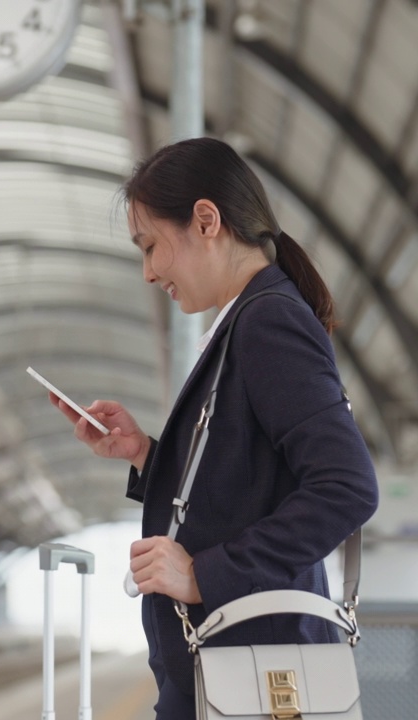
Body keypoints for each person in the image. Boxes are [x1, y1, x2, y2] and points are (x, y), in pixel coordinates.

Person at [48, 137, 379, 718]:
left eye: (150, 247)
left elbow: (346, 487)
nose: (148, 273)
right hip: (224, 669)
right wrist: (147, 454)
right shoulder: (245, 323)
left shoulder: (268, 321)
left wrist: (206, 574)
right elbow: (248, 483)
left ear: (206, 220)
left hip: (251, 671)